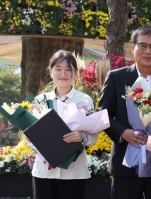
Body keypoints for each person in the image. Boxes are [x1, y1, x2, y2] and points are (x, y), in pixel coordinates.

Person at [97, 24, 151, 199]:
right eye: (142, 46)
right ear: (133, 48)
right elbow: (102, 114)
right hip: (125, 162)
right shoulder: (116, 77)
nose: (147, 51)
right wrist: (123, 132)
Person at [32, 50, 98, 199]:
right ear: (50, 71)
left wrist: (81, 137)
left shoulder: (85, 100)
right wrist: (32, 138)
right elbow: (29, 136)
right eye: (58, 69)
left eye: (68, 70)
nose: (63, 74)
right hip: (44, 171)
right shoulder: (40, 101)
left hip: (74, 172)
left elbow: (94, 136)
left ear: (75, 73)